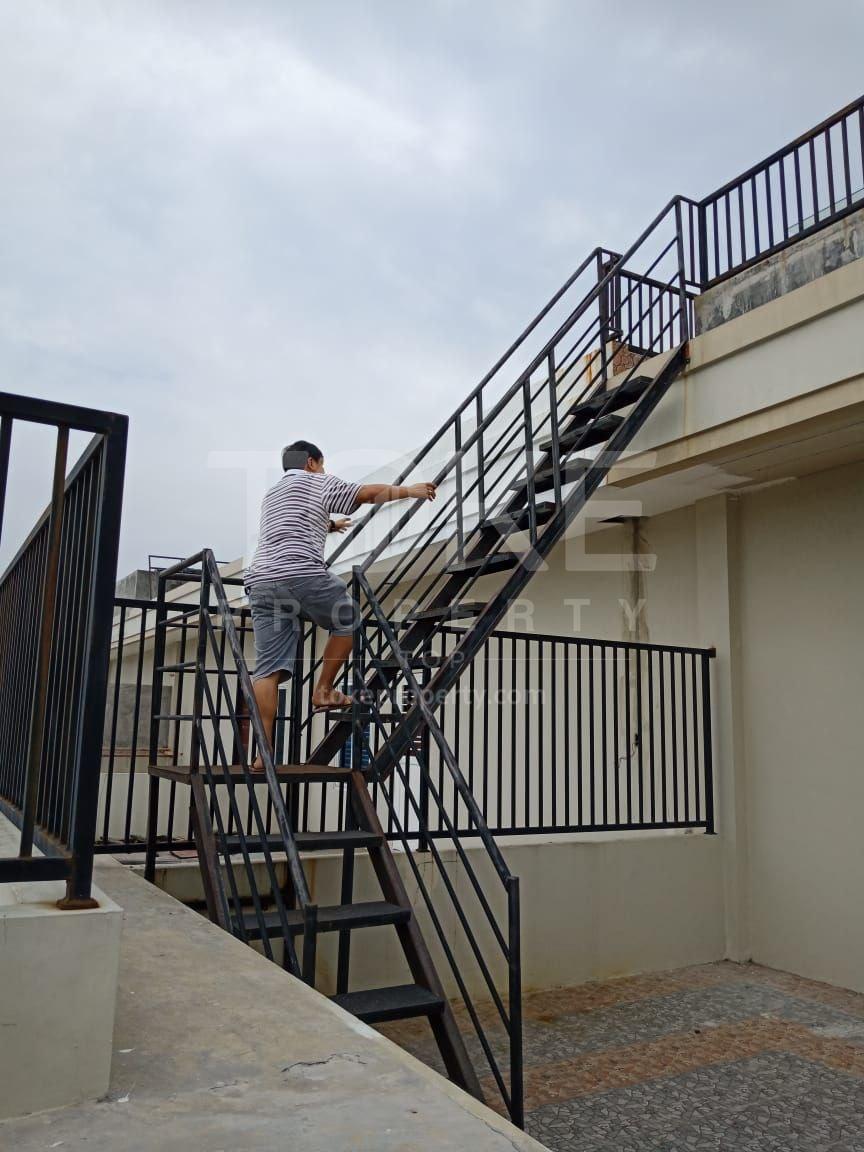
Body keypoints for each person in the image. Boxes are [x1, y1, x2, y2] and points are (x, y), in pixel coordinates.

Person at [244, 439, 436, 767]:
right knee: (347, 618)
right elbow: (366, 494)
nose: (324, 470)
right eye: (322, 464)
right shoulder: (316, 481)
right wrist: (410, 491)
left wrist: (330, 525)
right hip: (299, 573)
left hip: (260, 581)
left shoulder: (272, 495)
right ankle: (323, 689)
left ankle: (263, 754)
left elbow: (293, 523)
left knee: (268, 669)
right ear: (311, 462)